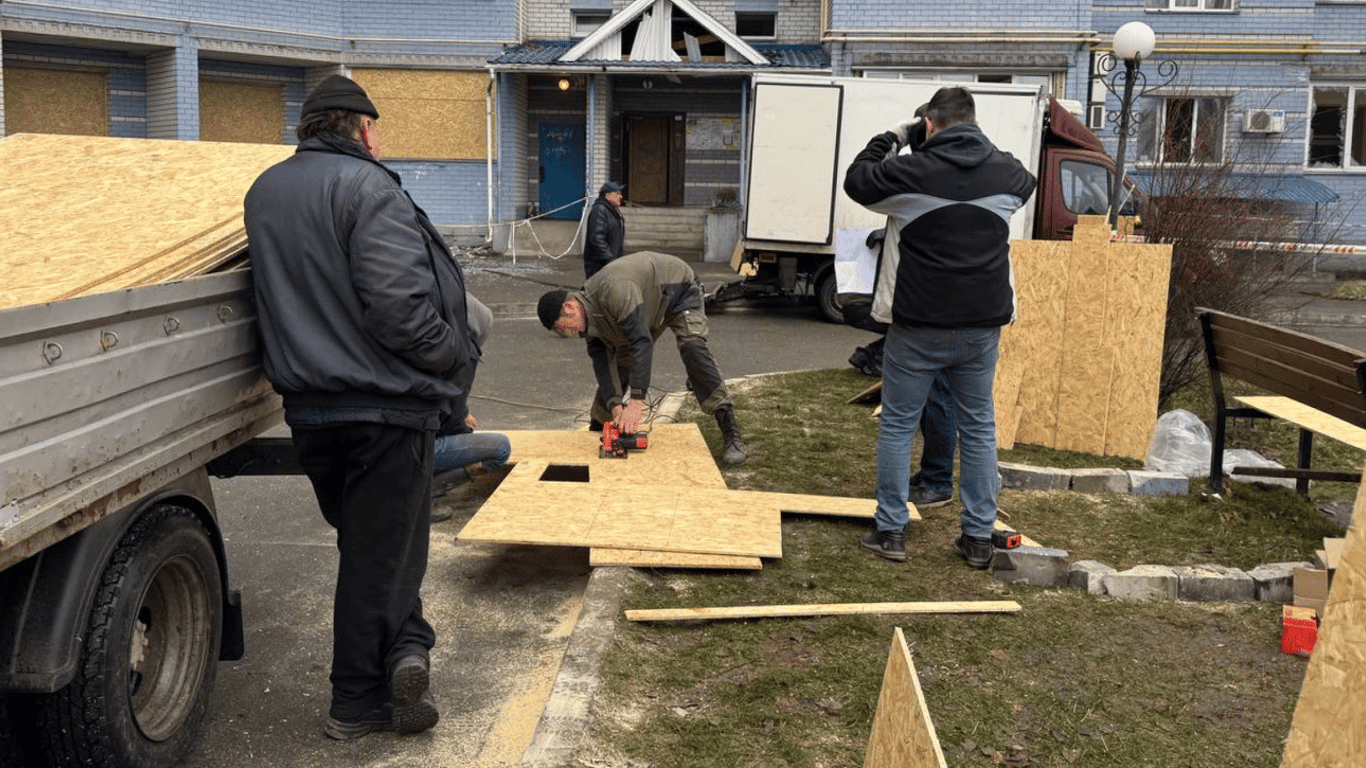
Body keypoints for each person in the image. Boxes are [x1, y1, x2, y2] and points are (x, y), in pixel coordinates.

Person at [244, 74, 478, 739]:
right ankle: (357, 703)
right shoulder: (369, 187)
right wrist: (451, 357)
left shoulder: (265, 190)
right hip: (383, 408)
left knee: (374, 552)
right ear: (362, 128)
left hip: (312, 408)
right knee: (383, 559)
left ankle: (408, 651)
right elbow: (401, 309)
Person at [843, 86, 1036, 568]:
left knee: (898, 426)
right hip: (981, 328)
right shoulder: (1008, 175)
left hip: (918, 326)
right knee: (978, 428)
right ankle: (976, 537)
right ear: (973, 122)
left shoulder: (911, 173)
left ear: (929, 124)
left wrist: (893, 136)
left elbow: (858, 179)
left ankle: (891, 532)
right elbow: (1024, 176)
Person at [537, 250, 748, 465]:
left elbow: (641, 342)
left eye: (561, 327)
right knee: (621, 365)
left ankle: (730, 431)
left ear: (569, 308)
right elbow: (603, 366)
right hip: (647, 307)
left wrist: (636, 403)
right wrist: (616, 407)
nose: (565, 334)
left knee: (692, 348)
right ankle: (600, 427)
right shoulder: (589, 320)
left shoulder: (613, 290)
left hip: (678, 291)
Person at [842, 291, 957, 511]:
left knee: (933, 399)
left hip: (934, 312)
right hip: (938, 312)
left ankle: (935, 482)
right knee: (935, 396)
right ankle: (933, 475)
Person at [431, 293, 511, 519]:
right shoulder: (464, 351)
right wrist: (464, 434)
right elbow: (452, 420)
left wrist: (462, 411)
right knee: (500, 448)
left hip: (389, 440)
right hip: (417, 447)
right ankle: (423, 495)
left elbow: (447, 397)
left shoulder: (433, 340)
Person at [583, 181, 626, 279]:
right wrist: (610, 258)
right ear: (608, 195)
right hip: (599, 265)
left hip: (610, 264)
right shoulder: (599, 211)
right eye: (617, 193)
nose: (621, 196)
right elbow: (597, 239)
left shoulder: (611, 210)